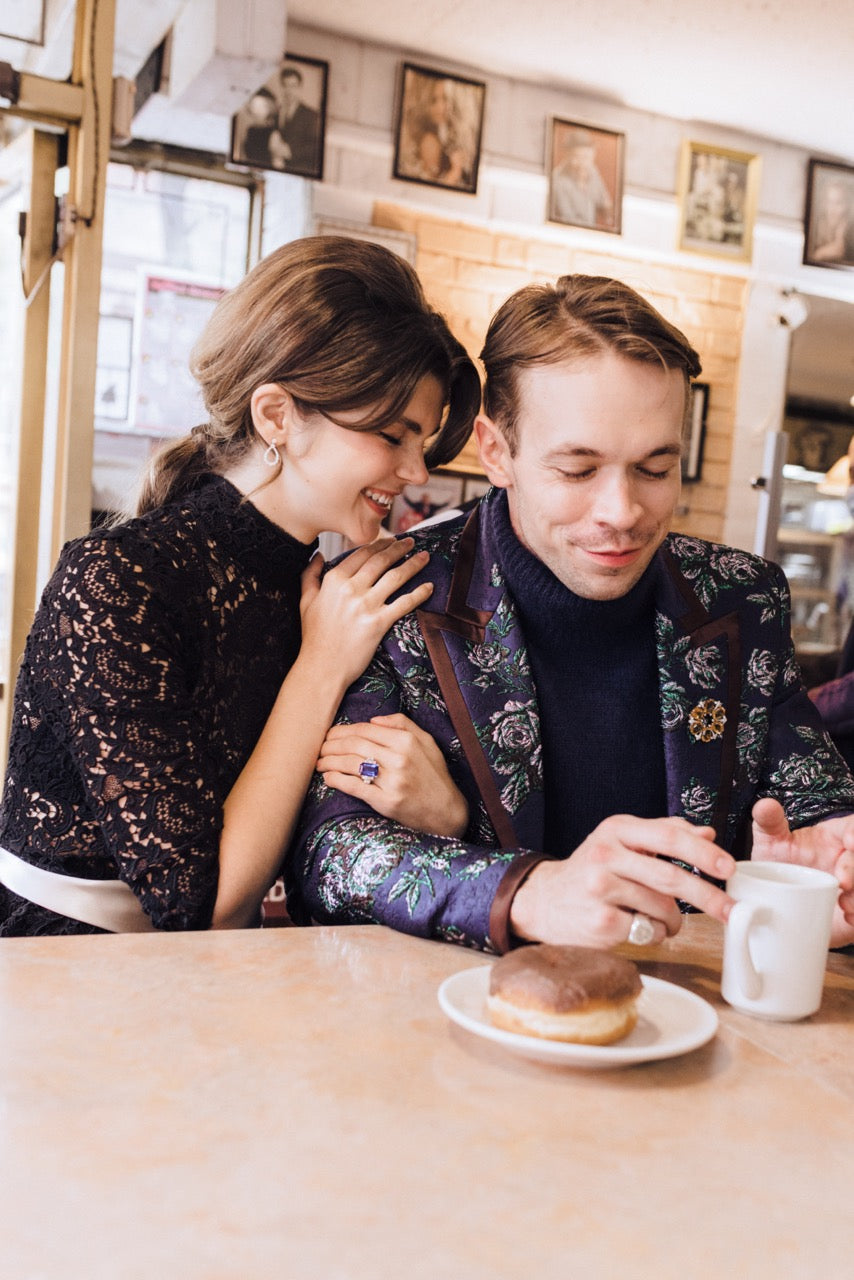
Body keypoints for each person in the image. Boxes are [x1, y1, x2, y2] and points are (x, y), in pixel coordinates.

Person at [289, 273, 854, 954]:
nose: (621, 512)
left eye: (653, 468)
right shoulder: (396, 592)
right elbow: (333, 855)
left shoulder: (743, 595)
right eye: (578, 471)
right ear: (497, 451)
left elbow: (816, 802)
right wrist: (525, 892)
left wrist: (833, 863)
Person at [0, 236, 481, 935]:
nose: (416, 473)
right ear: (277, 416)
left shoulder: (337, 594)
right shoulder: (115, 580)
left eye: (424, 444)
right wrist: (319, 668)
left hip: (235, 978)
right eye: (391, 435)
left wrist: (445, 813)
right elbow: (201, 904)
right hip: (64, 983)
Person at [549, 128, 613, 229]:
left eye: (587, 157)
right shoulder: (557, 180)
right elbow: (568, 220)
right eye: (578, 157)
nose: (583, 163)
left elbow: (605, 203)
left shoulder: (593, 171)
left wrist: (608, 213)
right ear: (568, 156)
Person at [269, 65, 322, 174]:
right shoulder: (275, 112)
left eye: (293, 86)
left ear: (300, 88)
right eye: (285, 85)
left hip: (299, 169)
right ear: (281, 87)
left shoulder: (311, 115)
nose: (289, 90)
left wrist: (291, 152)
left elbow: (315, 147)